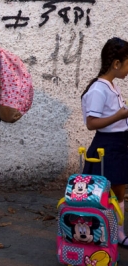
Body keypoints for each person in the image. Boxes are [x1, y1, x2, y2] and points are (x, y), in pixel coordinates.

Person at [81, 37, 128, 248]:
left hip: (118, 143)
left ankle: (116, 232)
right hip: (106, 146)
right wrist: (119, 116)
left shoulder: (111, 86)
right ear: (116, 64)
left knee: (119, 190)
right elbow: (92, 123)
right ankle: (109, 233)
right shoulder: (99, 89)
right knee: (109, 192)